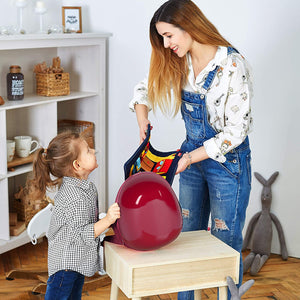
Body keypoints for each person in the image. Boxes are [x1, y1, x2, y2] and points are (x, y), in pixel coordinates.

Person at [129, 0, 253, 299]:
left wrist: (189, 157)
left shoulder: (232, 65)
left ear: (189, 26)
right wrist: (142, 116)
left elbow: (236, 131)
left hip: (228, 164)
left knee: (225, 241)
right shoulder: (179, 61)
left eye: (169, 35)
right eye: (162, 37)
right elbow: (144, 88)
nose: (166, 43)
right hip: (191, 162)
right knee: (184, 237)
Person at [26, 131, 120, 300]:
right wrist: (107, 220)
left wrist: (105, 221)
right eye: (88, 151)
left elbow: (85, 221)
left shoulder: (85, 188)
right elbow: (82, 233)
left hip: (77, 261)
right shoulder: (74, 196)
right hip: (66, 265)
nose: (93, 150)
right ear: (77, 165)